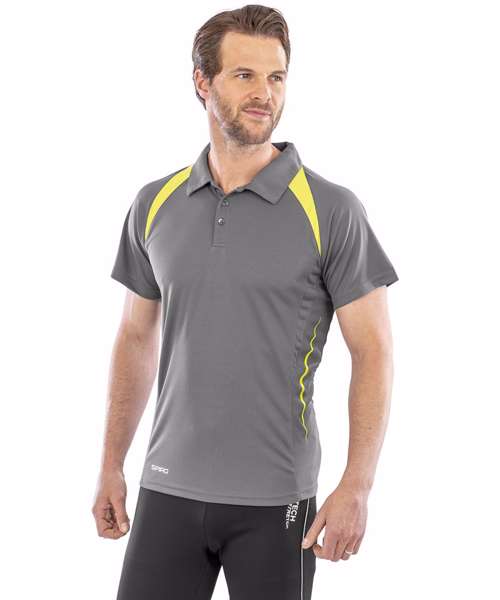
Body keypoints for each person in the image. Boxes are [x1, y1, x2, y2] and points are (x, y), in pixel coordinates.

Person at [92, 5, 399, 599]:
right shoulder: (155, 204)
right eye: (244, 75)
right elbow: (135, 336)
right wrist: (111, 463)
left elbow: (374, 351)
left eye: (276, 77)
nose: (265, 93)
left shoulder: (332, 210)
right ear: (201, 82)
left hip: (277, 499)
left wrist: (357, 485)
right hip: (167, 487)